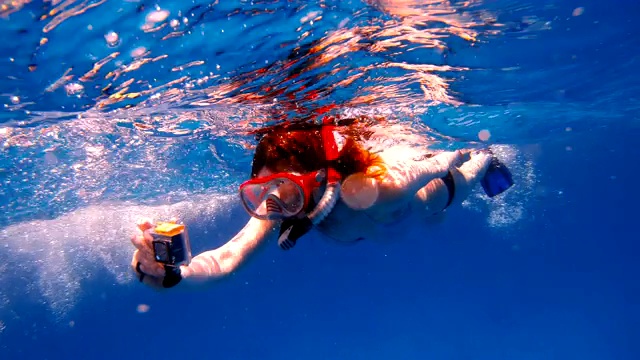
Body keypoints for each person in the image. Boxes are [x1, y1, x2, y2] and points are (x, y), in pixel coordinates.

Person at [130, 116, 514, 289]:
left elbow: (435, 165)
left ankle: (489, 157)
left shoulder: (379, 188)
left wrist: (463, 155)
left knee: (466, 180)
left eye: (286, 188)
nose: (276, 202)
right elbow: (228, 257)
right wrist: (175, 275)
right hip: (393, 229)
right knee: (432, 226)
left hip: (434, 196)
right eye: (264, 190)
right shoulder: (281, 205)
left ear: (321, 175)